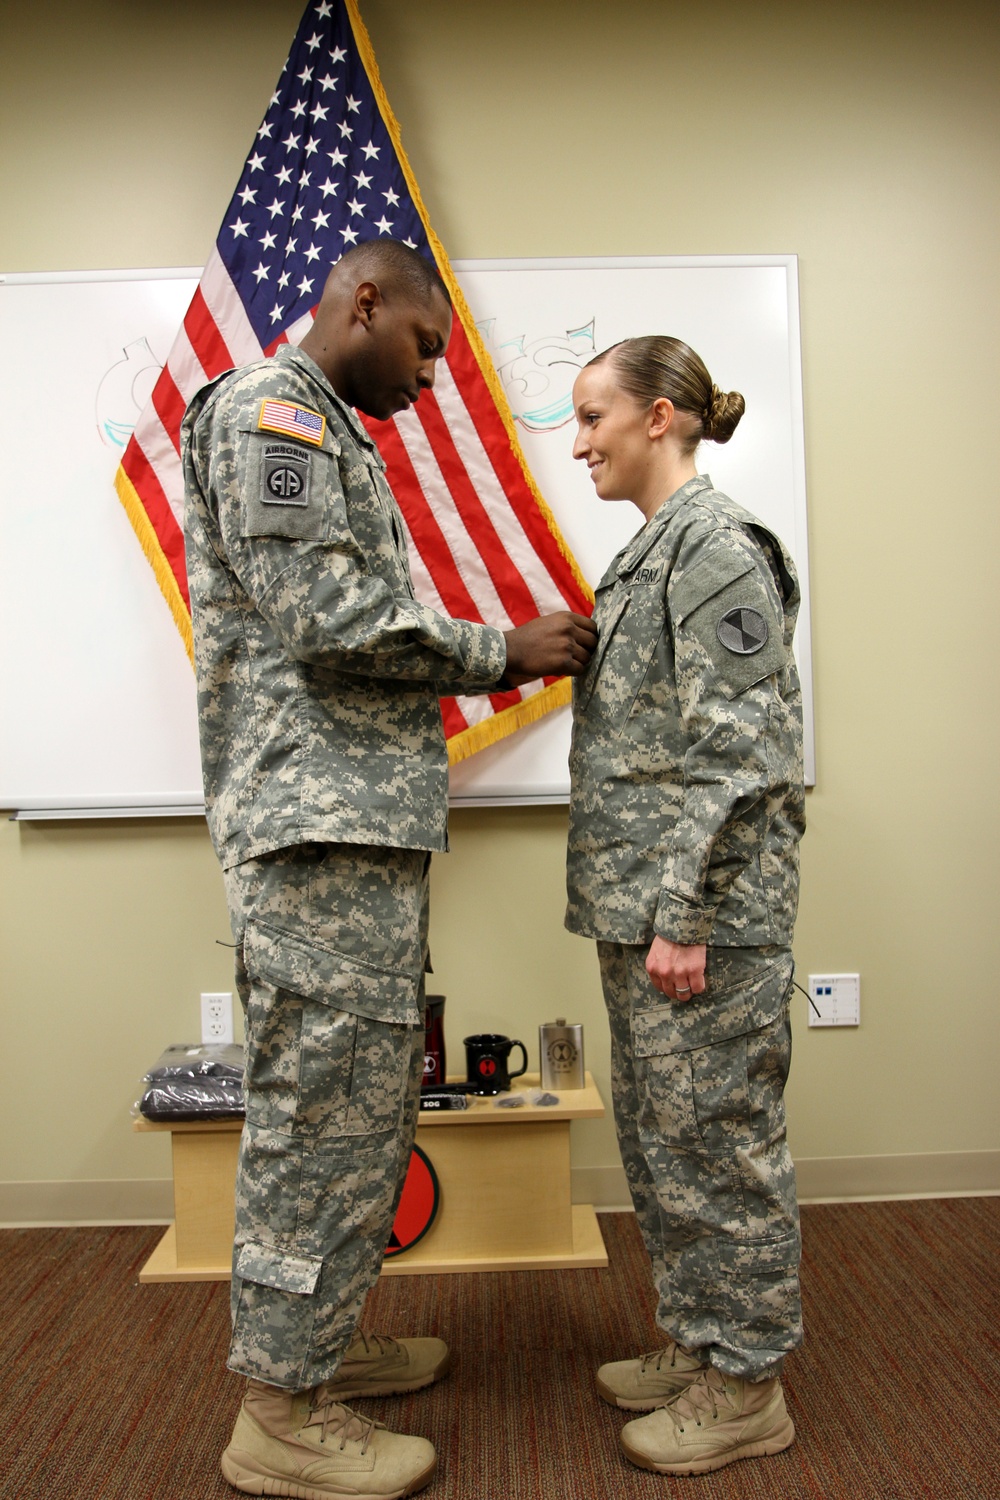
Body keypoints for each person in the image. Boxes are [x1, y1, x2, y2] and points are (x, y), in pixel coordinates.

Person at [181, 237, 597, 1500]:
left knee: (360, 1110)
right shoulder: (273, 416)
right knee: (323, 1120)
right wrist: (506, 647)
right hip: (318, 838)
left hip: (351, 834)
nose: (429, 380)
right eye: (423, 346)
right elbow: (330, 621)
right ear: (364, 302)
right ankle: (282, 1417)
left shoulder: (324, 427)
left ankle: (320, 1352)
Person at [565, 336, 806, 1477]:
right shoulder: (651, 555)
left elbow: (742, 756)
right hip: (647, 911)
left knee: (720, 1146)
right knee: (666, 1145)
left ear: (660, 417)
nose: (579, 444)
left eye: (592, 418)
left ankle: (748, 1387)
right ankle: (703, 1344)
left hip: (698, 920)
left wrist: (684, 915)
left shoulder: (711, 550)